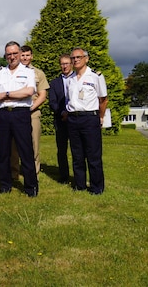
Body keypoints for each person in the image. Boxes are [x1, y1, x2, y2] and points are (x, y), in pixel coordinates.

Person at [0, 41, 38, 197]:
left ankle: (31, 187)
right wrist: (7, 95)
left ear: (19, 53)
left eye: (14, 53)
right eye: (9, 54)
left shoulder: (28, 72)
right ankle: (5, 185)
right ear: (5, 56)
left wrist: (7, 94)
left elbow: (29, 91)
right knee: (3, 151)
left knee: (26, 151)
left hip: (20, 114)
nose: (12, 57)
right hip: (2, 115)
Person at [66, 47, 108, 195]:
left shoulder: (95, 76)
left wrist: (100, 117)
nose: (76, 60)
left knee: (93, 155)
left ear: (86, 58)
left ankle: (97, 187)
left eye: (79, 57)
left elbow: (103, 99)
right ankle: (80, 184)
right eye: (73, 58)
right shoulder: (70, 79)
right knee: (77, 155)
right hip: (73, 118)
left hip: (89, 118)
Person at [10, 45, 49, 178]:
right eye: (23, 55)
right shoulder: (12, 72)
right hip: (15, 113)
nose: (25, 57)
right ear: (19, 55)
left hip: (32, 113)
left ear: (32, 56)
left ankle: (33, 174)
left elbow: (42, 95)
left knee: (33, 144)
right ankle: (14, 173)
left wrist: (30, 109)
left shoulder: (38, 73)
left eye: (28, 55)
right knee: (13, 145)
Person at [49, 54, 74, 184]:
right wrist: (62, 112)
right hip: (61, 120)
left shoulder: (78, 79)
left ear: (71, 64)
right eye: (62, 64)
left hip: (76, 119)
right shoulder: (54, 83)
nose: (64, 66)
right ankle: (64, 176)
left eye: (67, 63)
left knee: (77, 149)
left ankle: (78, 176)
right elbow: (52, 102)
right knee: (62, 150)